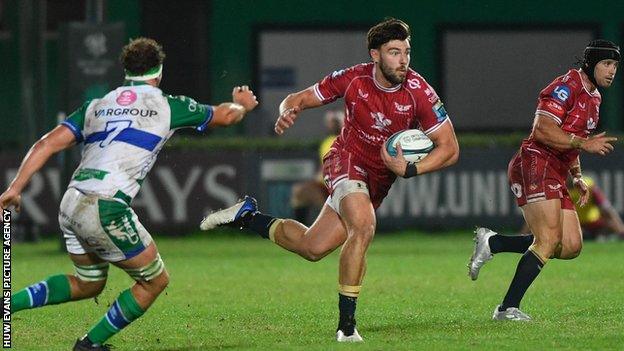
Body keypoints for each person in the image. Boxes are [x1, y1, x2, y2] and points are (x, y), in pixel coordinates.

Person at [201, 18, 459, 341]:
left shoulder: (420, 91)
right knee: (363, 226)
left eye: (407, 52)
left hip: (378, 179)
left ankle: (247, 217)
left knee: (313, 247)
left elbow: (449, 148)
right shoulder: (353, 79)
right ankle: (347, 328)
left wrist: (410, 169)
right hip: (345, 161)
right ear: (375, 55)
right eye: (394, 52)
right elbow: (296, 98)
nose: (403, 60)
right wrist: (287, 111)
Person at [0, 37, 258, 350]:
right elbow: (225, 116)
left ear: (125, 72)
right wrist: (241, 105)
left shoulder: (97, 106)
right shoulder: (167, 105)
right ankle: (89, 345)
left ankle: (6, 305)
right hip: (105, 206)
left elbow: (46, 144)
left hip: (71, 201)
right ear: (159, 72)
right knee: (154, 281)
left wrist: (14, 188)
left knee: (89, 283)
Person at [468, 40, 619, 321]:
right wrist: (582, 144)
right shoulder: (567, 86)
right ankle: (506, 309)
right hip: (535, 162)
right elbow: (542, 130)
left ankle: (495, 243)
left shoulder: (595, 98)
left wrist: (577, 176)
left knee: (571, 245)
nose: (612, 71)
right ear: (591, 64)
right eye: (607, 64)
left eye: (615, 66)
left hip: (557, 169)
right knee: (548, 240)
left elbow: (571, 140)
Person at [516, 176, 624, 241]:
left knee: (609, 222)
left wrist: (620, 228)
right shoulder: (556, 188)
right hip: (571, 225)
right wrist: (523, 233)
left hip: (593, 223)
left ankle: (613, 234)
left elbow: (606, 209)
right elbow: (540, 213)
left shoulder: (588, 186)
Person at [291, 110, 344, 224]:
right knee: (299, 192)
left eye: (335, 122)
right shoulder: (327, 142)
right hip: (326, 184)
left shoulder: (346, 141)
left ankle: (330, 226)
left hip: (338, 185)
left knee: (301, 193)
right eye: (332, 122)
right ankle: (302, 229)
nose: (333, 125)